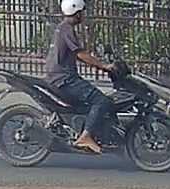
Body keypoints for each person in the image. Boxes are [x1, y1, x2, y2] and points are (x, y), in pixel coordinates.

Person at [44, 0, 116, 154]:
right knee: (101, 101)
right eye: (82, 12)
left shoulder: (63, 28)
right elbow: (81, 54)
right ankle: (85, 136)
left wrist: (98, 64)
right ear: (77, 13)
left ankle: (84, 129)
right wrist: (104, 66)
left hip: (59, 77)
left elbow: (77, 55)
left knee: (90, 102)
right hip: (65, 79)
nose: (84, 15)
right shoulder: (67, 29)